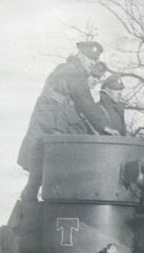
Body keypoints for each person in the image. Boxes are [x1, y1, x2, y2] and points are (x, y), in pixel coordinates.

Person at [17, 41, 112, 199]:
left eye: (95, 59)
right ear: (80, 54)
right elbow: (84, 101)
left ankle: (30, 195)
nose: (92, 62)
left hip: (49, 121)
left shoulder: (67, 69)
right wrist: (103, 126)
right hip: (53, 122)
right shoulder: (74, 72)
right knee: (62, 158)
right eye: (89, 58)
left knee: (43, 161)